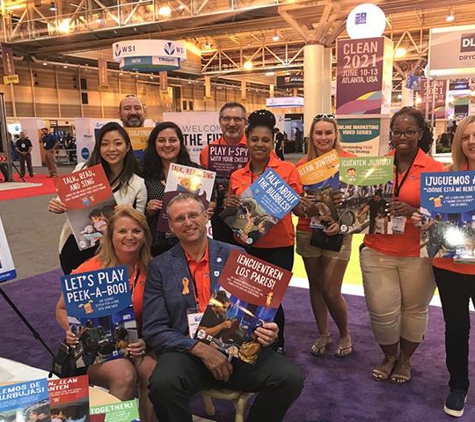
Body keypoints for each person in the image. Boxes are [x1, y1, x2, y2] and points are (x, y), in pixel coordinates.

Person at [142, 193, 304, 422]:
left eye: (193, 215)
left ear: (206, 216)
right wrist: (200, 349)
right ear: (170, 225)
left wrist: (268, 330)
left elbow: (258, 312)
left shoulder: (236, 254)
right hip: (188, 352)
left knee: (290, 378)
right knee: (162, 384)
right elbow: (154, 328)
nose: (188, 223)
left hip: (237, 349)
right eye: (179, 218)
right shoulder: (160, 267)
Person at [360, 107, 445, 383]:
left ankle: (405, 359)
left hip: (417, 253)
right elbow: (360, 205)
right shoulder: (377, 166)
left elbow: (443, 216)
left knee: (414, 310)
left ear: (420, 134)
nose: (403, 137)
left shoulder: (434, 170)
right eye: (397, 132)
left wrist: (411, 211)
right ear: (391, 135)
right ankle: (388, 356)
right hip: (377, 249)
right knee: (381, 310)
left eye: (409, 131)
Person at [56, 206, 157, 422]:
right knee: (124, 374)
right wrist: (71, 330)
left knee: (152, 371)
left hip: (136, 343)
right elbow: (61, 309)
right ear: (110, 235)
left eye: (136, 231)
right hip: (95, 349)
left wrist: (145, 341)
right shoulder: (90, 268)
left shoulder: (152, 268)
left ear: (144, 236)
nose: (129, 237)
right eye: (122, 231)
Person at [225, 109, 305, 353]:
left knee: (272, 299)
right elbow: (232, 212)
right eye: (255, 139)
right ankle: (246, 342)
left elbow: (300, 211)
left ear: (273, 142)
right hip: (246, 245)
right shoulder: (237, 175)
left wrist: (298, 204)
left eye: (265, 140)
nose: (259, 144)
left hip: (279, 247)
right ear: (247, 141)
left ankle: (275, 345)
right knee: (246, 296)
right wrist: (229, 204)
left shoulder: (287, 171)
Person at [413, 115, 475, 417]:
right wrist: (422, 220)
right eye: (466, 137)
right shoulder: (445, 177)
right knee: (457, 328)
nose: (472, 142)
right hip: (450, 267)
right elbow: (431, 221)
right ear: (458, 142)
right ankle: (458, 385)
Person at [48, 122, 147, 275]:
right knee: (79, 296)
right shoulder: (83, 169)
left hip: (114, 253)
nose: (112, 149)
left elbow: (141, 223)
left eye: (118, 143)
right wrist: (57, 205)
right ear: (99, 148)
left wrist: (130, 213)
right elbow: (62, 199)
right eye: (105, 144)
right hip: (76, 246)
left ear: (127, 147)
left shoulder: (137, 183)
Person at [295, 114, 355, 358]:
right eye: (318, 133)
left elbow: (359, 203)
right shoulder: (301, 166)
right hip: (308, 230)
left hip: (339, 231)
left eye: (328, 133)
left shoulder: (350, 162)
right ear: (312, 136)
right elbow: (296, 206)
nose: (323, 138)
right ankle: (323, 332)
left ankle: (344, 333)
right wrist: (304, 203)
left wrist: (341, 220)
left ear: (335, 135)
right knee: (316, 285)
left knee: (331, 289)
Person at [141, 121, 200, 257]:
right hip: (155, 244)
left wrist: (208, 207)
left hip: (189, 241)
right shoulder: (142, 173)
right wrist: (147, 210)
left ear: (180, 143)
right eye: (161, 140)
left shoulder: (195, 171)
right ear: (154, 144)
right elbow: (133, 209)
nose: (167, 145)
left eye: (172, 140)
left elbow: (212, 199)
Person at [200, 102, 248, 244]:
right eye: (226, 119)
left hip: (249, 216)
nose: (232, 123)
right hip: (218, 217)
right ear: (220, 122)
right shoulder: (207, 152)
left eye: (237, 119)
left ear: (245, 122)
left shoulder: (256, 149)